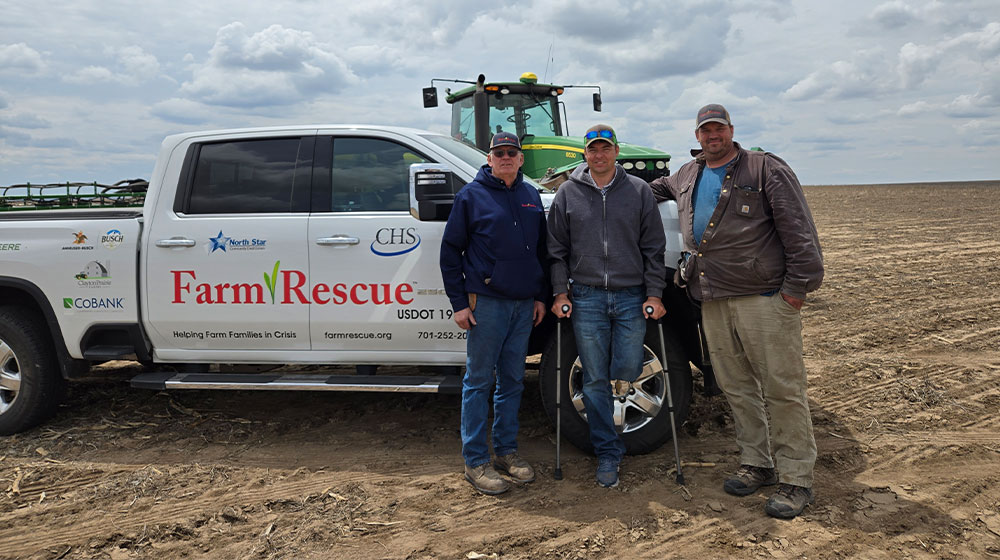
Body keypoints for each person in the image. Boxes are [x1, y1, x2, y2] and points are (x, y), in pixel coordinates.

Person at [650, 104, 824, 519]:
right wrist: (587, 178)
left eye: (719, 129)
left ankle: (796, 478)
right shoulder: (687, 175)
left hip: (763, 298)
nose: (713, 136)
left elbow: (799, 230)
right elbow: (648, 189)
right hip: (712, 299)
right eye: (705, 131)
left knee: (782, 388)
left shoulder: (764, 169)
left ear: (731, 130)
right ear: (697, 136)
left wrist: (796, 291)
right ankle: (757, 464)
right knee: (737, 387)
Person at [547, 124, 667, 488]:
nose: (599, 155)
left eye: (605, 148)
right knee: (595, 378)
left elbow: (653, 247)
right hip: (586, 296)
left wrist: (655, 293)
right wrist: (560, 293)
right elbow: (556, 250)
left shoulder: (639, 191)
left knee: (628, 367)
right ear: (584, 154)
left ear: (616, 151)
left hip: (631, 296)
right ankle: (608, 452)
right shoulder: (568, 193)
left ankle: (620, 394)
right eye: (592, 150)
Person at [440, 131, 548, 495]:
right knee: (478, 382)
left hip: (523, 305)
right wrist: (458, 304)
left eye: (511, 153)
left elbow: (541, 253)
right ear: (489, 159)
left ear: (520, 160)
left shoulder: (531, 195)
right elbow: (450, 252)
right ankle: (475, 460)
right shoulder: (471, 197)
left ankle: (505, 452)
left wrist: (539, 296)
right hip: (485, 303)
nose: (505, 158)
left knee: (513, 381)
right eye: (498, 153)